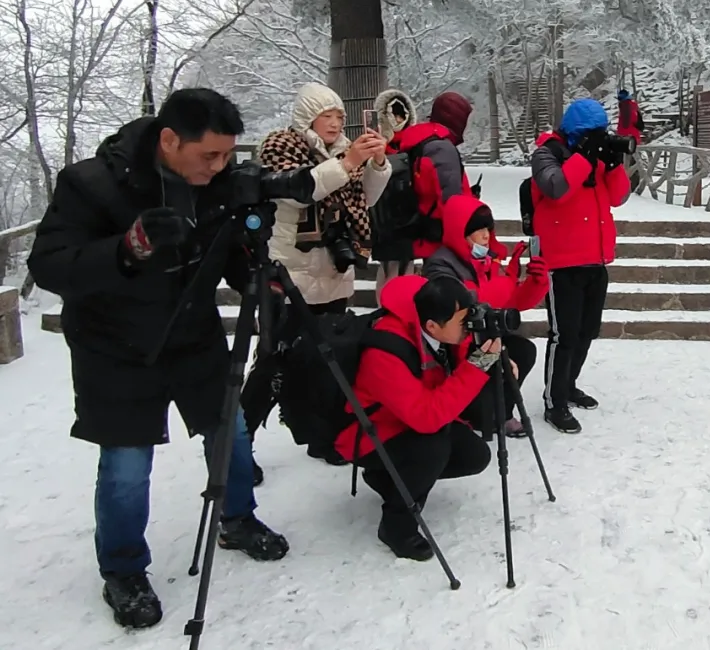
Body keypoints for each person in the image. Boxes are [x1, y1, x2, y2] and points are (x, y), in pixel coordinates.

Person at [26, 88, 290, 630]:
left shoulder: (217, 183)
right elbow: (51, 265)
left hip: (193, 337)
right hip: (116, 348)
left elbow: (227, 251)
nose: (219, 167)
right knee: (127, 466)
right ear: (170, 140)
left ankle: (238, 519)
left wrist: (256, 277)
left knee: (231, 433)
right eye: (209, 155)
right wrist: (128, 248)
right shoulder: (91, 184)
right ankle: (123, 570)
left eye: (227, 156)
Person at [240, 82, 391, 482]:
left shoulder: (344, 149)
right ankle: (239, 444)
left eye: (341, 116)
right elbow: (299, 193)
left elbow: (364, 199)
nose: (336, 122)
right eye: (328, 115)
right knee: (273, 363)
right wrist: (347, 161)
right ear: (309, 116)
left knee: (330, 360)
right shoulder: (280, 146)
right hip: (289, 274)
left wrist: (375, 164)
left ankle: (323, 437)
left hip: (332, 272)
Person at [334, 275, 496, 561]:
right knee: (432, 447)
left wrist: (490, 353)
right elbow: (426, 418)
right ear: (432, 326)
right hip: (367, 433)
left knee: (474, 455)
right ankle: (397, 526)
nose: (468, 326)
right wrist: (477, 365)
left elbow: (440, 382)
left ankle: (389, 478)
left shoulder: (433, 325)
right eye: (463, 322)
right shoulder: (386, 350)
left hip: (403, 416)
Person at [529, 97, 631, 434]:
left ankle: (568, 385)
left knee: (587, 331)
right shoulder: (547, 154)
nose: (598, 139)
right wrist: (582, 158)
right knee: (564, 335)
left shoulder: (594, 160)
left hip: (596, 258)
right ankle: (554, 402)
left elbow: (618, 197)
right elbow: (555, 188)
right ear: (575, 133)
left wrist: (613, 164)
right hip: (562, 262)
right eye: (592, 134)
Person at [422, 193, 549, 437]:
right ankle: (477, 414)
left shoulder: (488, 261)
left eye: (487, 229)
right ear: (460, 233)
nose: (485, 236)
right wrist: (507, 279)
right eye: (477, 230)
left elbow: (512, 304)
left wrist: (536, 282)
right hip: (458, 344)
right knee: (496, 360)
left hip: (487, 335)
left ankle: (502, 413)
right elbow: (465, 303)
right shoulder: (440, 265)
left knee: (523, 350)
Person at [381, 90, 475, 265]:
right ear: (456, 118)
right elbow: (451, 199)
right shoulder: (441, 148)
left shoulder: (418, 141)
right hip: (439, 236)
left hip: (417, 229)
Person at [372, 87, 420, 301]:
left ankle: (403, 308)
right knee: (388, 268)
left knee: (407, 265)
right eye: (393, 114)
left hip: (409, 213)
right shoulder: (374, 142)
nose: (398, 119)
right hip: (384, 213)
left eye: (402, 114)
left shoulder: (415, 144)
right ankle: (386, 310)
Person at [616, 88, 645, 191]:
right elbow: (641, 125)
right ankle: (634, 186)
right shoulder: (634, 106)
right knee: (634, 164)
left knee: (624, 164)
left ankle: (627, 186)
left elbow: (624, 125)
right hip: (635, 139)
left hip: (624, 140)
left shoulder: (624, 107)